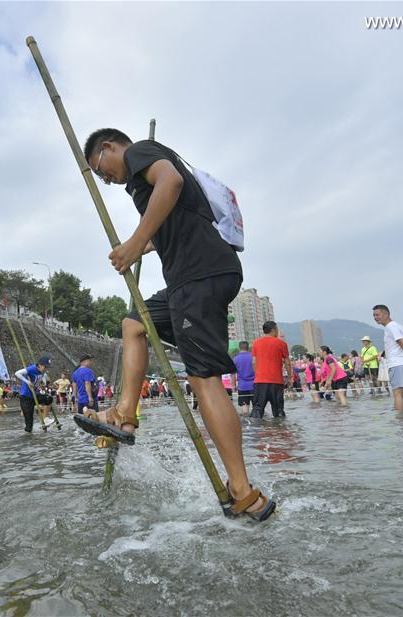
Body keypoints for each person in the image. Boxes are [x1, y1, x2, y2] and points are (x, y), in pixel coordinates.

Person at [75, 128, 274, 521]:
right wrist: (147, 243)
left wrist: (134, 243)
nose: (108, 181)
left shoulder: (141, 155)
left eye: (102, 171)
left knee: (204, 379)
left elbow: (172, 181)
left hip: (198, 276)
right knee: (133, 324)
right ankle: (125, 415)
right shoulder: (143, 179)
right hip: (192, 278)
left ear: (110, 148)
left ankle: (244, 491)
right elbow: (172, 219)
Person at [251, 321, 293, 418]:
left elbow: (254, 362)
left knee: (257, 410)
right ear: (273, 330)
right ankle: (280, 431)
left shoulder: (256, 343)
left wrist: (258, 374)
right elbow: (287, 362)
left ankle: (255, 431)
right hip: (276, 382)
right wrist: (290, 378)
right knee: (279, 411)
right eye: (277, 329)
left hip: (260, 381)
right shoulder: (281, 343)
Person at [15, 356, 52, 433]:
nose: (46, 369)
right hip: (25, 397)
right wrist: (28, 382)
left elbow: (44, 379)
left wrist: (43, 383)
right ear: (40, 365)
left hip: (34, 395)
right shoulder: (32, 369)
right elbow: (17, 373)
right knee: (29, 425)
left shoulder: (42, 372)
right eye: (45, 367)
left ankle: (45, 419)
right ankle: (27, 439)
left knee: (49, 398)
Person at [231, 341, 255, 415]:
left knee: (245, 410)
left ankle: (247, 425)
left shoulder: (235, 359)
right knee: (257, 408)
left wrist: (234, 386)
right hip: (254, 386)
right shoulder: (253, 358)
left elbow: (233, 375)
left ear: (239, 348)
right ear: (248, 348)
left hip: (242, 386)